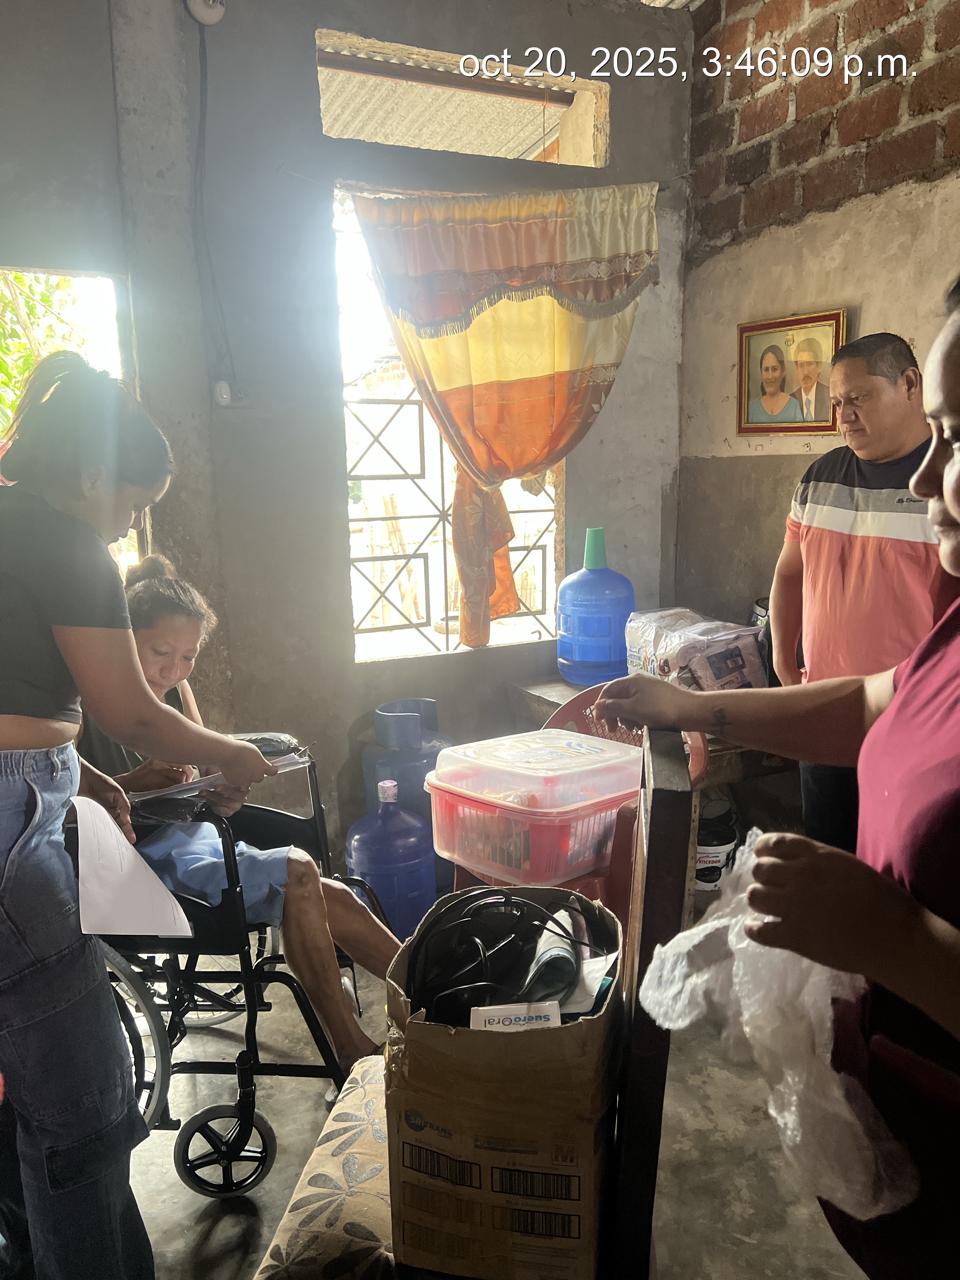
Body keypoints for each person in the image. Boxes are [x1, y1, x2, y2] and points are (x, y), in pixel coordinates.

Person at [594, 275, 960, 1279]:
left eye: (957, 438)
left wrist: (892, 935)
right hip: (912, 1174)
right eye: (936, 433)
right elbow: (871, 702)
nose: (927, 480)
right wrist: (696, 705)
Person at [0, 352, 276, 1280]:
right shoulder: (63, 541)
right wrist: (234, 753)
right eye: (131, 502)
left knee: (27, 1091)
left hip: (28, 791)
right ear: (90, 475)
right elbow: (131, 712)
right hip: (9, 829)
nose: (128, 525)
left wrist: (77, 773)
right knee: (85, 1103)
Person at [79, 555, 401, 1072]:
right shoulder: (86, 706)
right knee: (299, 869)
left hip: (196, 842)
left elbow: (204, 787)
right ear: (125, 642)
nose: (174, 669)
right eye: (160, 652)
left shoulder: (176, 697)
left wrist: (221, 795)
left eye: (188, 656)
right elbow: (69, 804)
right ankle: (350, 1047)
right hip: (140, 869)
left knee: (331, 893)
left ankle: (435, 996)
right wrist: (137, 782)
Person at [769, 332, 956, 852]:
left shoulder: (945, 483)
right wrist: (784, 658)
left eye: (858, 398)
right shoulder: (819, 478)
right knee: (827, 853)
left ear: (910, 384)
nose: (844, 416)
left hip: (914, 722)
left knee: (897, 871)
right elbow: (790, 571)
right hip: (825, 711)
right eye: (836, 403)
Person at [747, 344, 804, 424]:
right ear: (761, 374)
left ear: (783, 371)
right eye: (766, 370)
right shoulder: (752, 409)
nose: (770, 376)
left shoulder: (794, 406)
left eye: (774, 369)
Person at [790, 335, 831, 422]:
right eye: (801, 365)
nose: (805, 372)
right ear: (796, 369)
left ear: (819, 366)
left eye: (809, 364)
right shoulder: (790, 401)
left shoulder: (829, 396)